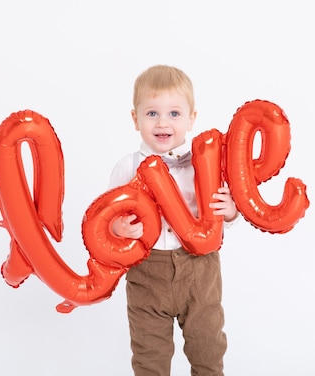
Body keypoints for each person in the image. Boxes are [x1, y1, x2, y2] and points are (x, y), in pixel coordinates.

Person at [108, 64, 238, 376]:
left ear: (192, 118)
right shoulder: (127, 167)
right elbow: (106, 218)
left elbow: (221, 218)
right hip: (147, 273)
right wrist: (118, 228)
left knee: (207, 347)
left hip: (200, 271)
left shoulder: (203, 165)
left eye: (174, 114)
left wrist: (231, 211)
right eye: (152, 113)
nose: (163, 122)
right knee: (149, 353)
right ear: (135, 118)